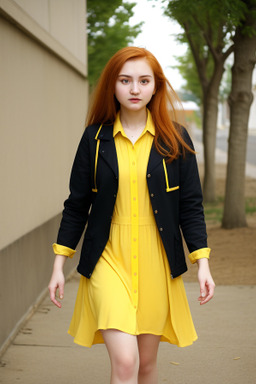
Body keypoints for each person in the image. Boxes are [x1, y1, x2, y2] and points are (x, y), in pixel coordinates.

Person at [48, 46, 215, 384]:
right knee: (126, 362)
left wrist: (203, 263)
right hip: (108, 257)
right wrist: (58, 266)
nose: (134, 89)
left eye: (143, 81)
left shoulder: (176, 140)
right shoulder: (94, 140)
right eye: (125, 80)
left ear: (156, 86)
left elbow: (190, 207)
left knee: (146, 366)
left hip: (157, 262)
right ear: (113, 85)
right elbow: (77, 204)